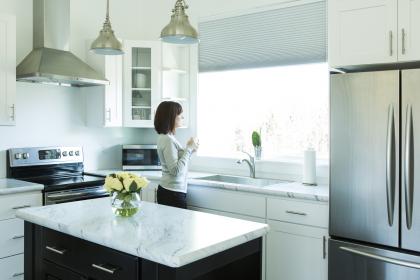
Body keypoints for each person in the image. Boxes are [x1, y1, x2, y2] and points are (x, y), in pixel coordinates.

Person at [154, 101, 199, 209]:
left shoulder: (167, 137)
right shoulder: (168, 140)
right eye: (180, 115)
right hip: (172, 194)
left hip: (170, 191)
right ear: (171, 117)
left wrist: (191, 150)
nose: (182, 117)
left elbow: (177, 163)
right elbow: (175, 171)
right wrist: (188, 149)